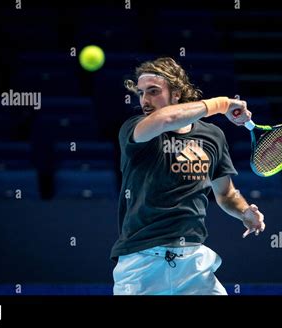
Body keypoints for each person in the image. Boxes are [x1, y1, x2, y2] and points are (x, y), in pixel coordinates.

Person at [111, 57, 265, 295]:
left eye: (153, 92)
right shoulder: (135, 129)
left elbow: (225, 193)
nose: (145, 101)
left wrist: (244, 211)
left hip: (193, 263)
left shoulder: (212, 136)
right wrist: (222, 104)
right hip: (141, 264)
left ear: (176, 94)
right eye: (141, 93)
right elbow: (167, 119)